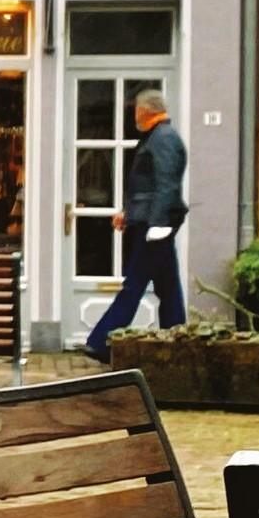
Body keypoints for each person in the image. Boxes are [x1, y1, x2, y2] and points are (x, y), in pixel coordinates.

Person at [82, 91, 190, 357]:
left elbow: (167, 185)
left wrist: (157, 225)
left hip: (154, 226)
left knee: (134, 284)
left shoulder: (163, 139)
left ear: (145, 111)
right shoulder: (158, 137)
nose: (134, 118)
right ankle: (177, 340)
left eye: (135, 113)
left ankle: (102, 342)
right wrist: (128, 213)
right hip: (151, 222)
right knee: (168, 286)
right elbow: (148, 187)